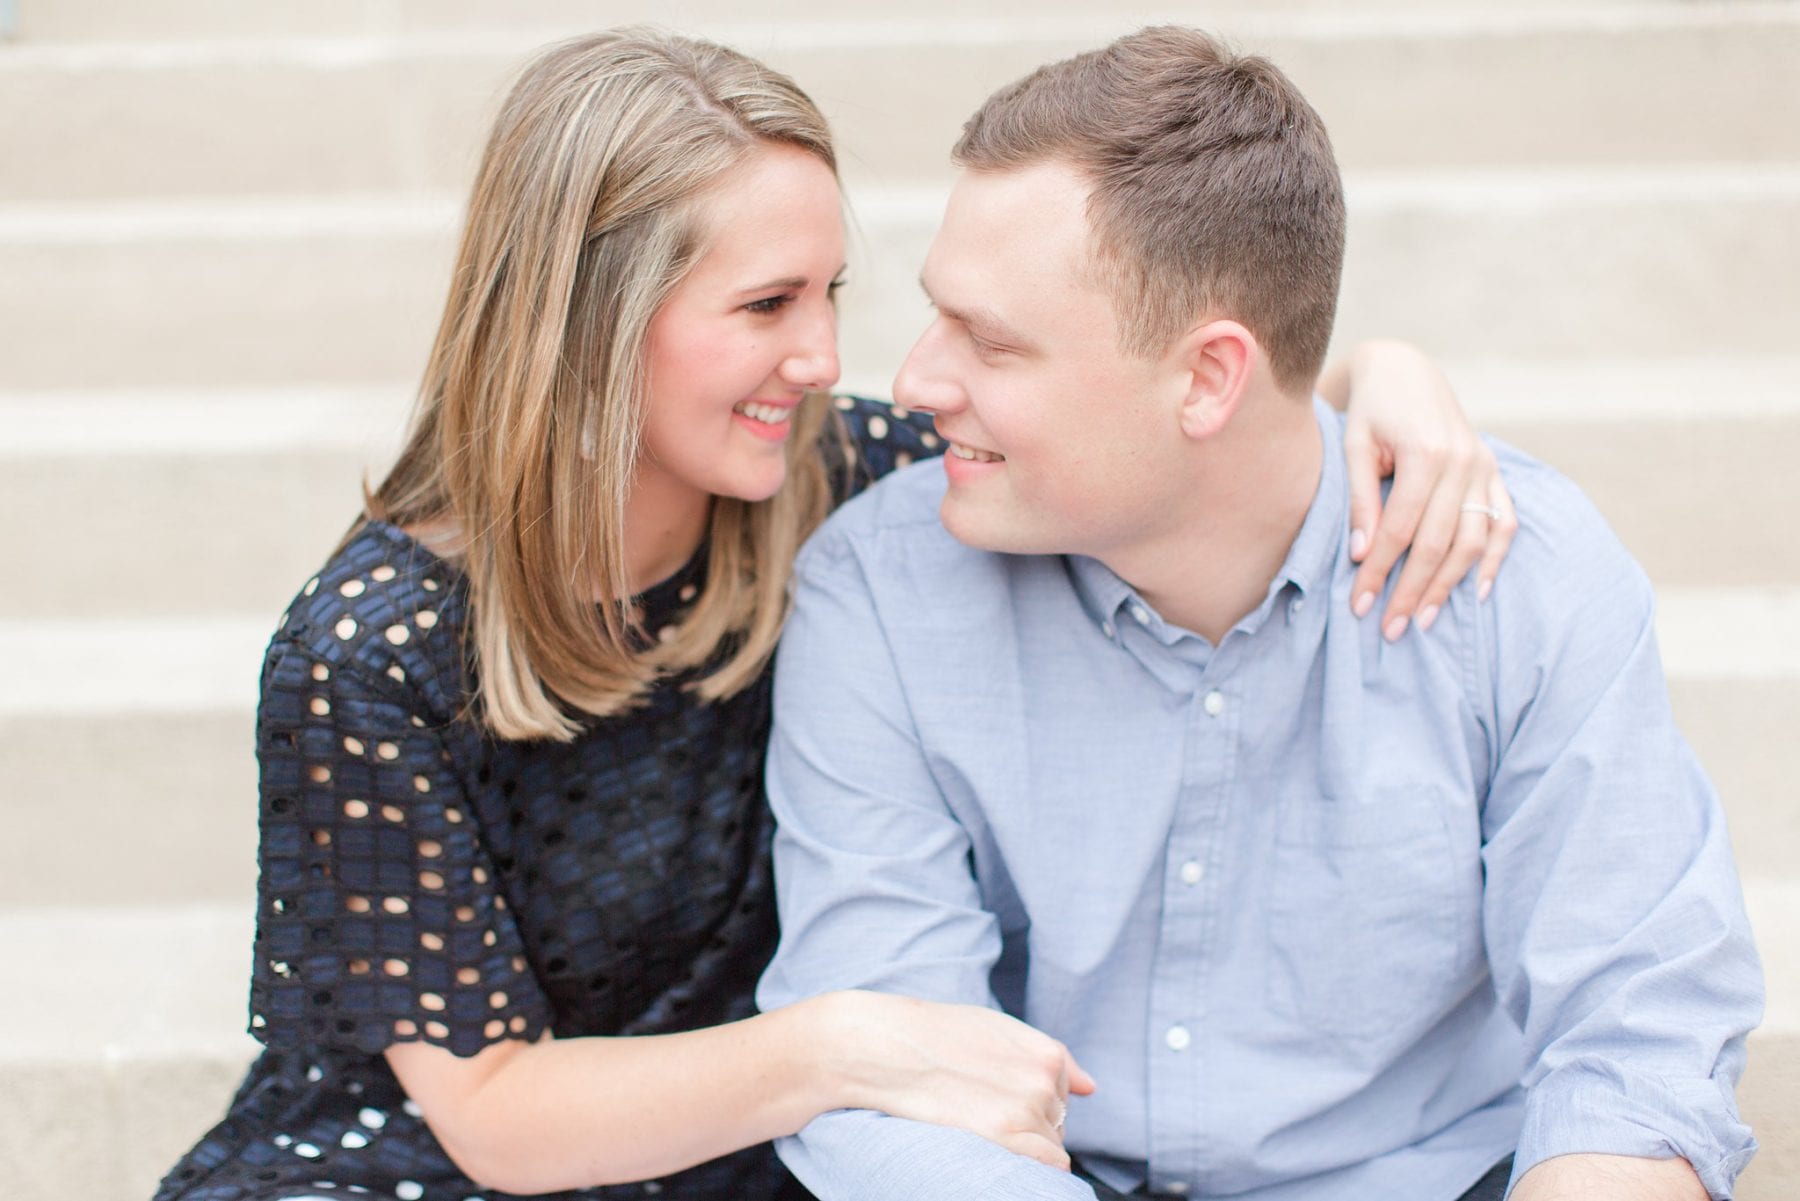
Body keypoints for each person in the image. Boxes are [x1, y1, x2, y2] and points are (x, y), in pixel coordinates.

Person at [157, 27, 1519, 1201]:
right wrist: (842, 1045)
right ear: (588, 322)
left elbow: (1153, 410)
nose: (820, 356)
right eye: (765, 304)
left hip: (758, 1158)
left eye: (829, 295)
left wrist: (1381, 375)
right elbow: (493, 1115)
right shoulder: (369, 650)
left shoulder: (832, 478)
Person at [757, 25, 1763, 1201]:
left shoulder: (1523, 578)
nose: (917, 380)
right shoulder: (876, 591)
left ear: (1209, 377)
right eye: (939, 315)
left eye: (990, 340)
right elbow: (895, 1082)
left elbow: (1636, 1044)